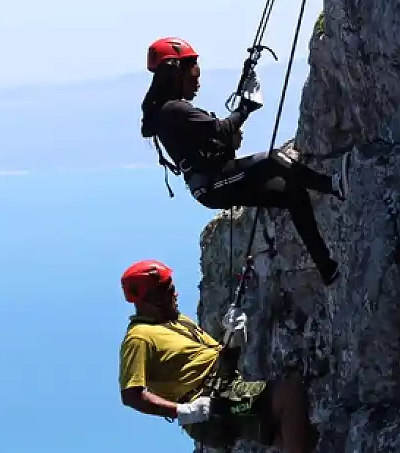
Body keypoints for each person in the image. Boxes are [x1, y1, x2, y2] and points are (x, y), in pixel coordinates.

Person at [140, 36, 349, 285]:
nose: (197, 85)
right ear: (176, 74)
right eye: (193, 78)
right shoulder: (174, 110)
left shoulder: (170, 112)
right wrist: (247, 106)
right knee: (272, 159)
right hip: (214, 183)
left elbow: (211, 143)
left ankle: (327, 268)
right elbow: (222, 129)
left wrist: (231, 133)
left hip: (214, 183)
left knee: (294, 193)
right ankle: (333, 186)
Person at [117, 259, 316, 453]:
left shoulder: (179, 323)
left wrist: (233, 338)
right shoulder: (138, 337)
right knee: (289, 396)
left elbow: (222, 365)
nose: (175, 294)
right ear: (149, 299)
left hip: (224, 393)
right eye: (168, 289)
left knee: (294, 434)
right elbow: (131, 395)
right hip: (211, 405)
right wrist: (184, 411)